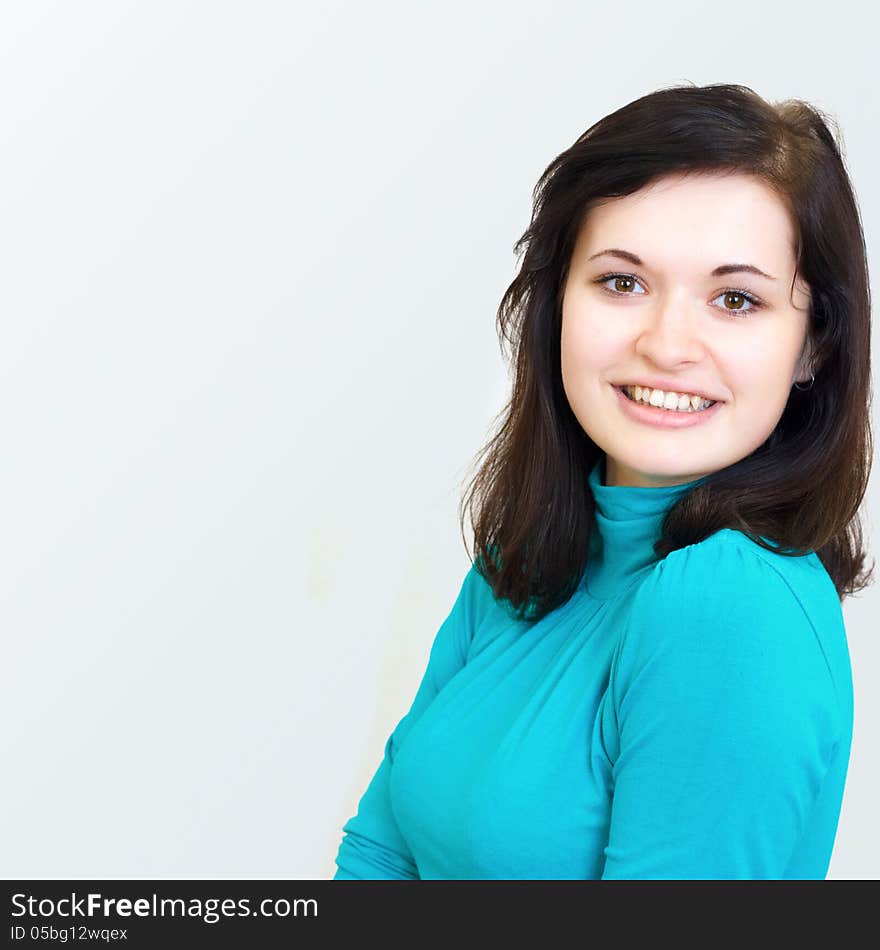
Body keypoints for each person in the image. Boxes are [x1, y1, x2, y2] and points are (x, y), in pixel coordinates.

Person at [331, 82, 874, 879]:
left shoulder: (731, 603)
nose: (667, 344)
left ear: (812, 346)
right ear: (557, 305)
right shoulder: (527, 557)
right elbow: (380, 852)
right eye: (623, 282)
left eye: (735, 299)